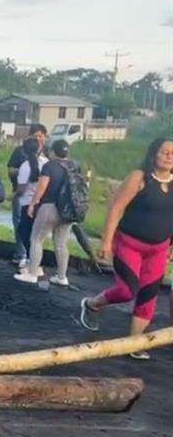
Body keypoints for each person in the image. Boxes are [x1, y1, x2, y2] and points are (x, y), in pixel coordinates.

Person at [79, 138, 173, 355]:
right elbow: (116, 208)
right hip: (129, 243)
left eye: (172, 153)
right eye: (164, 152)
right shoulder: (139, 178)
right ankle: (92, 304)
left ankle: (134, 343)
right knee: (126, 291)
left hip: (158, 248)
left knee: (149, 295)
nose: (169, 157)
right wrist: (106, 241)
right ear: (154, 154)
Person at [14, 140, 77, 286]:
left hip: (50, 207)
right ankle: (62, 277)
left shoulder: (50, 166)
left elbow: (42, 187)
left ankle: (32, 273)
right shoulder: (74, 166)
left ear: (53, 151)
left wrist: (32, 204)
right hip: (68, 210)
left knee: (36, 239)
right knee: (61, 243)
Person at [6, 123, 47, 263]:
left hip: (35, 197)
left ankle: (32, 258)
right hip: (24, 196)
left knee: (31, 228)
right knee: (21, 225)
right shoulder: (20, 152)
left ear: (45, 137)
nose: (38, 139)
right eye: (35, 136)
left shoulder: (48, 154)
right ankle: (22, 254)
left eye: (40, 136)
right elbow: (10, 169)